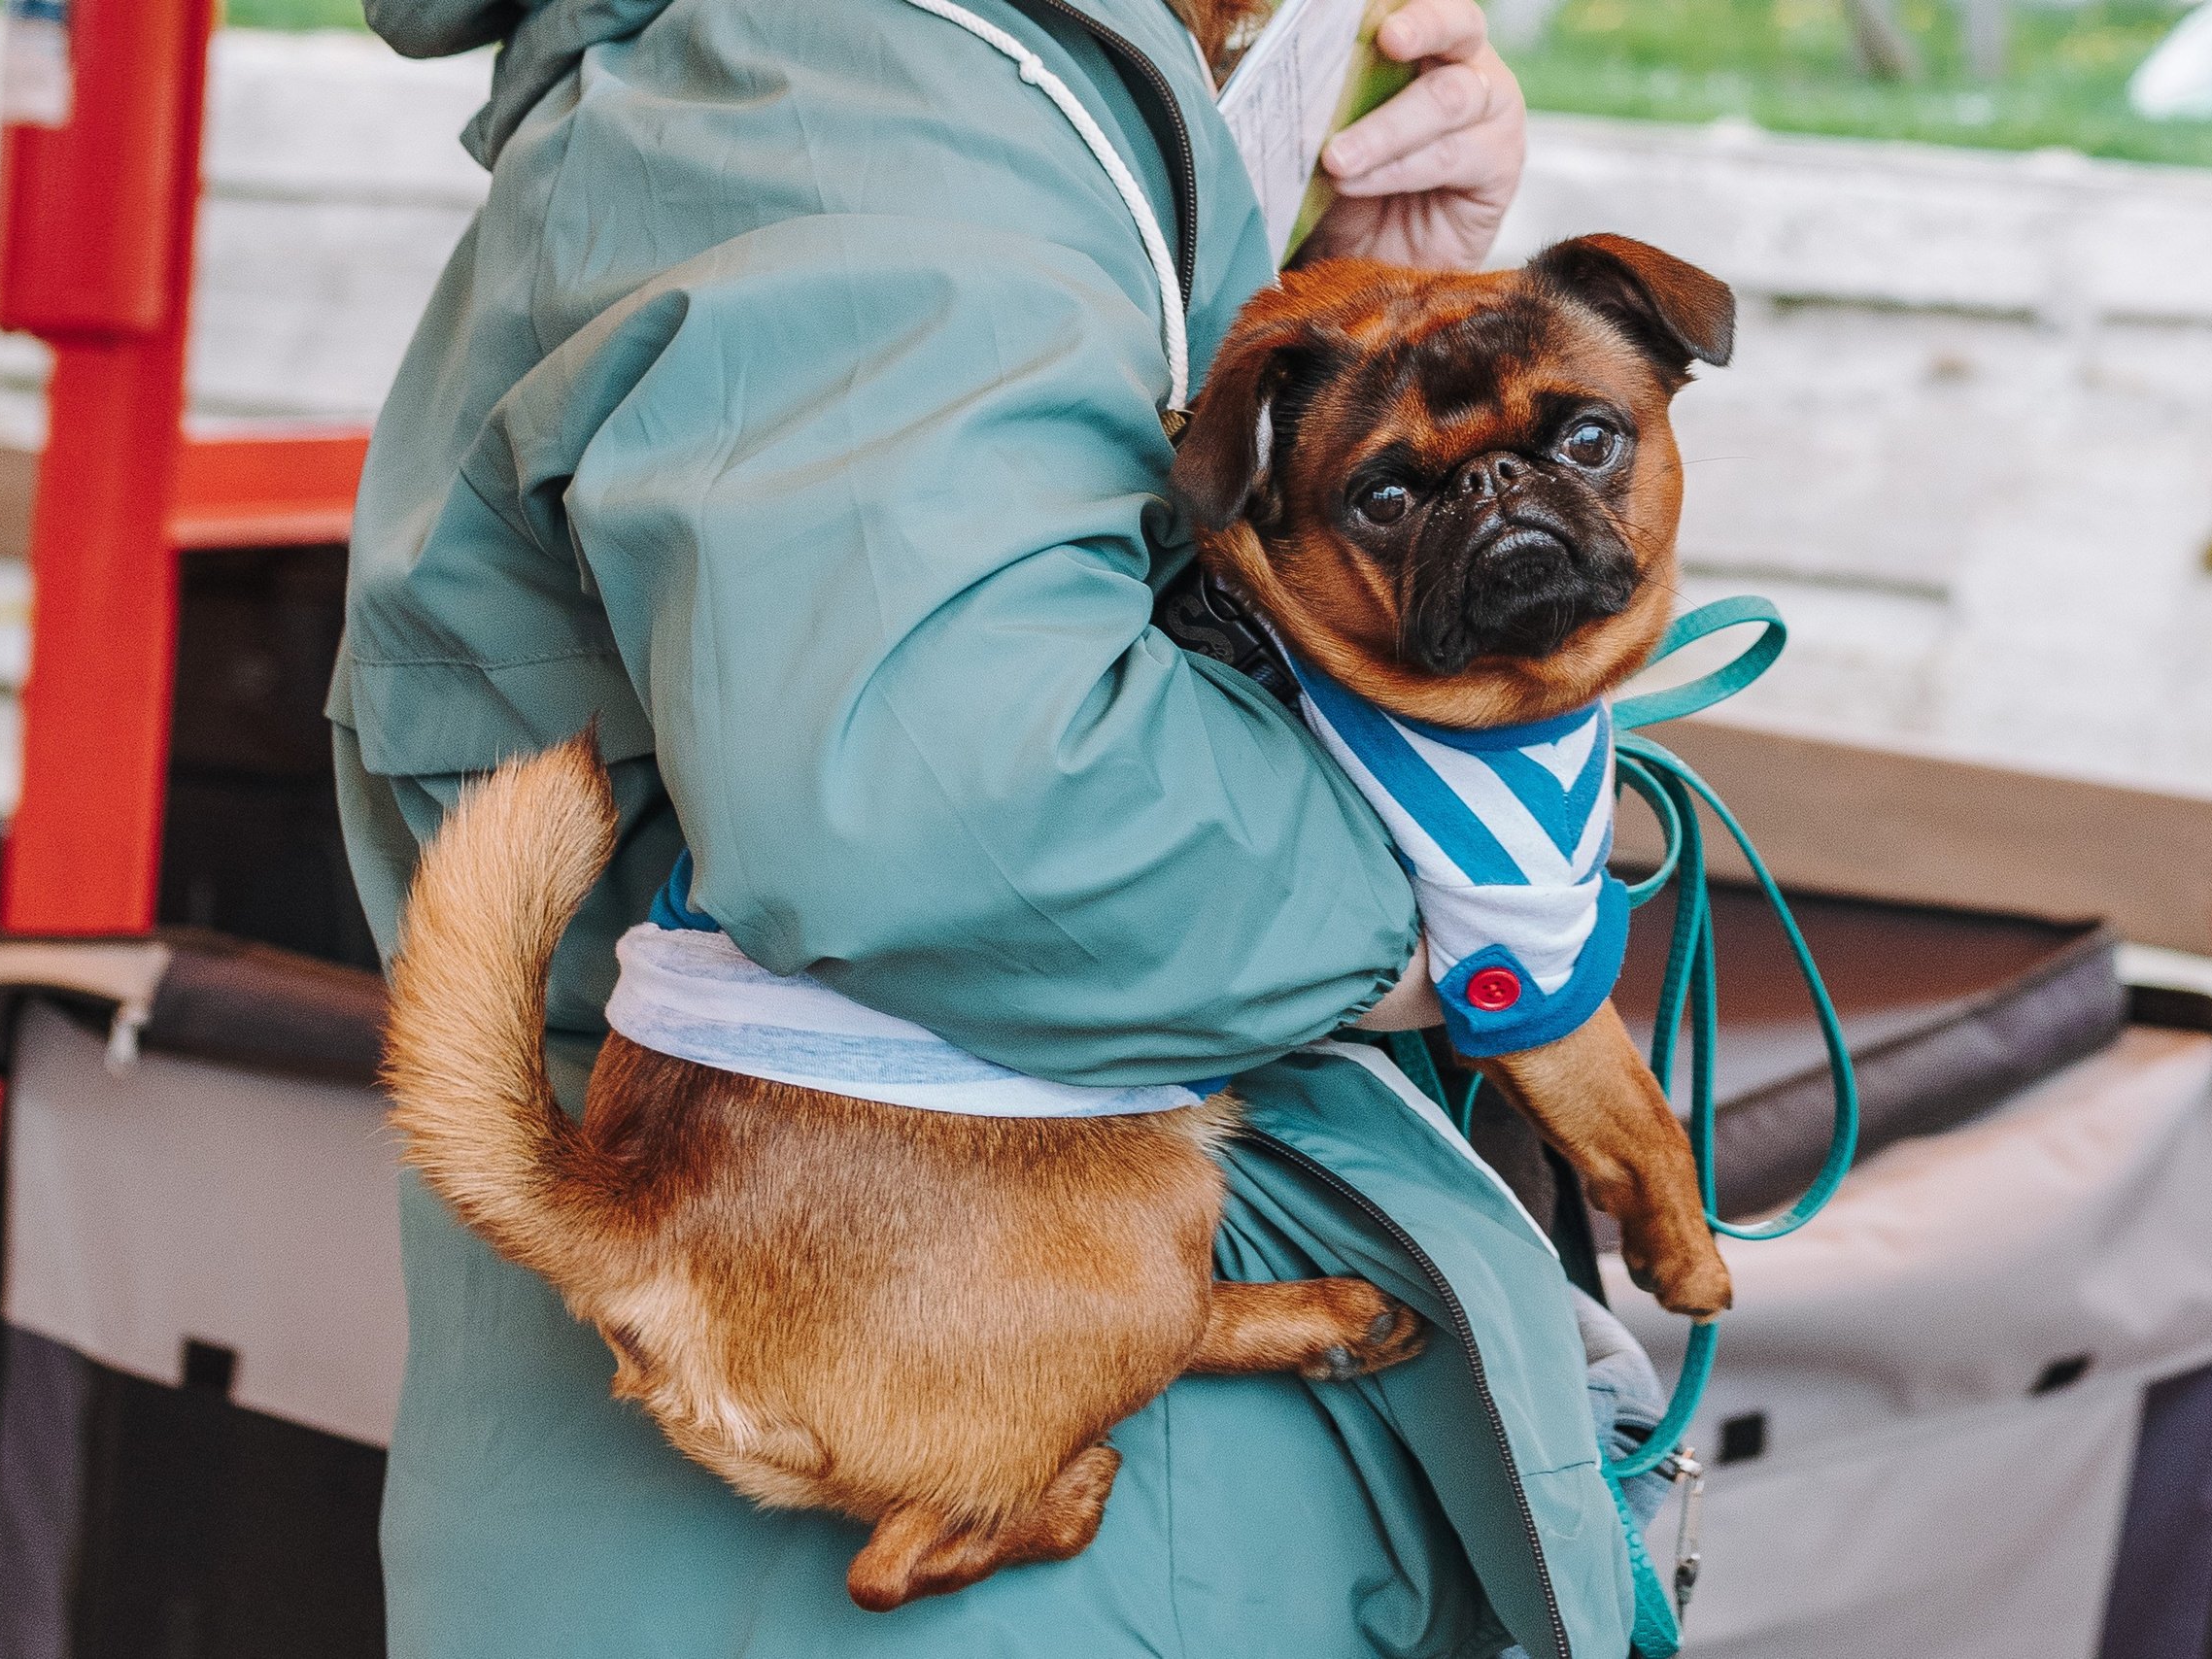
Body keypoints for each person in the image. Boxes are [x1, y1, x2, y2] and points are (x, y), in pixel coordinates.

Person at [333, 0, 1639, 1653]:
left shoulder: (927, 86)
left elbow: (1034, 526)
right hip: (972, 1438)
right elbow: (961, 804)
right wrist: (1463, 907)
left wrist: (1334, 296)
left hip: (988, 1382)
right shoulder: (861, 104)